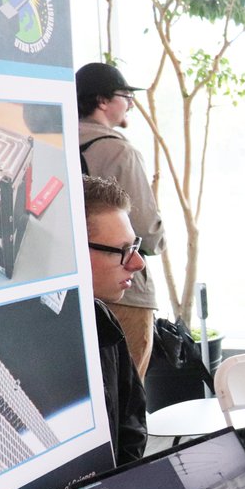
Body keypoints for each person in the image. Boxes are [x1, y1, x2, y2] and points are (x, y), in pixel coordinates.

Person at [76, 62, 165, 379]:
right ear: (102, 100)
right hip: (127, 293)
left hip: (81, 287)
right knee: (127, 400)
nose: (130, 103)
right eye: (126, 95)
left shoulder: (58, 142)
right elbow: (148, 234)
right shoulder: (118, 150)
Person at [83, 175, 148, 466]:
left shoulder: (100, 320)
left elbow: (131, 425)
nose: (137, 263)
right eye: (123, 251)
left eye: (135, 247)